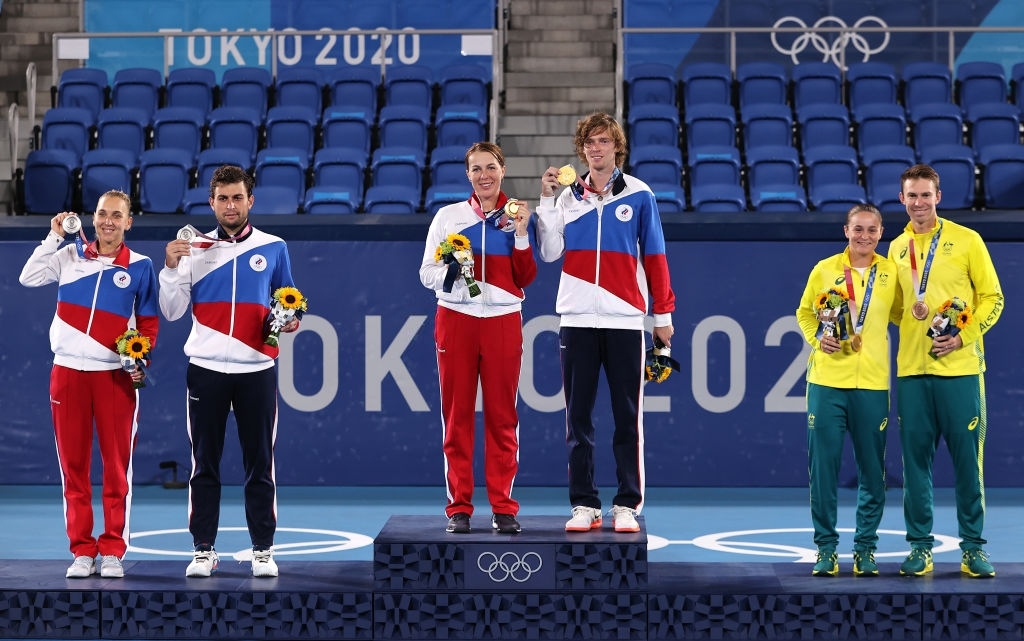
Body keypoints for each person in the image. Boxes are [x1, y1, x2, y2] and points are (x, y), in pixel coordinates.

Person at [535, 112, 676, 533]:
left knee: (626, 416)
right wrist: (544, 200)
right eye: (589, 143)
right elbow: (548, 253)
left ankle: (627, 503)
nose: (596, 149)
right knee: (577, 417)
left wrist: (662, 316)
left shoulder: (639, 194)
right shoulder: (566, 198)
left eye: (604, 141)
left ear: (617, 147)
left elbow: (655, 257)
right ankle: (584, 503)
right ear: (582, 150)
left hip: (624, 320)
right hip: (576, 318)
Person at [159, 165, 301, 578]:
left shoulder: (275, 247)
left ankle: (263, 549)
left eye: (237, 197)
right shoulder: (192, 249)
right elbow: (170, 312)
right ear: (212, 203)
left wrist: (290, 321)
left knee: (260, 463)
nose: (230, 205)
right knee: (204, 462)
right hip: (205, 370)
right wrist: (169, 268)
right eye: (223, 198)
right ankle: (203, 548)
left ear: (250, 201)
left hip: (258, 369)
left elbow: (288, 307)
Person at [19, 190, 159, 579]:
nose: (107, 221)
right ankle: (82, 550)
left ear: (129, 222)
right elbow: (28, 277)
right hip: (66, 374)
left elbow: (147, 324)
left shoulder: (142, 267)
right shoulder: (68, 256)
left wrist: (140, 358)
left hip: (114, 377)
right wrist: (53, 238)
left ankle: (112, 549)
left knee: (116, 468)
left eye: (116, 215)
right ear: (92, 218)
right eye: (101, 214)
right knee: (74, 468)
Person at [889, 164, 1004, 578]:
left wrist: (963, 336)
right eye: (912, 196)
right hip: (912, 372)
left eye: (926, 195)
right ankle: (920, 548)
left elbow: (994, 298)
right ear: (901, 200)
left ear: (939, 196)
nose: (919, 203)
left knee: (967, 464)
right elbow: (899, 310)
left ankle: (973, 549)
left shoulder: (967, 240)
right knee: (915, 466)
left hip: (960, 371)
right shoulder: (897, 249)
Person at [419, 142, 537, 534]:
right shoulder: (448, 217)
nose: (483, 175)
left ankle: (503, 506)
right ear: (467, 175)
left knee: (504, 417)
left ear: (502, 170)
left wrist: (521, 235)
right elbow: (426, 273)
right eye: (475, 169)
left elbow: (526, 277)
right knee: (457, 417)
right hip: (456, 319)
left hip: (503, 320)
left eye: (490, 167)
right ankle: (459, 508)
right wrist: (454, 271)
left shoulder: (516, 215)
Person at [796, 204, 900, 577]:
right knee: (822, 470)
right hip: (826, 383)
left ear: (881, 233)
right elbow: (805, 313)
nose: (864, 237)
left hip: (872, 385)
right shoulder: (825, 269)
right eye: (858, 229)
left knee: (872, 471)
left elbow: (905, 314)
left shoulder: (891, 272)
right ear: (846, 231)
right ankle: (825, 549)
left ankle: (865, 549)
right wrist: (816, 338)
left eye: (872, 230)